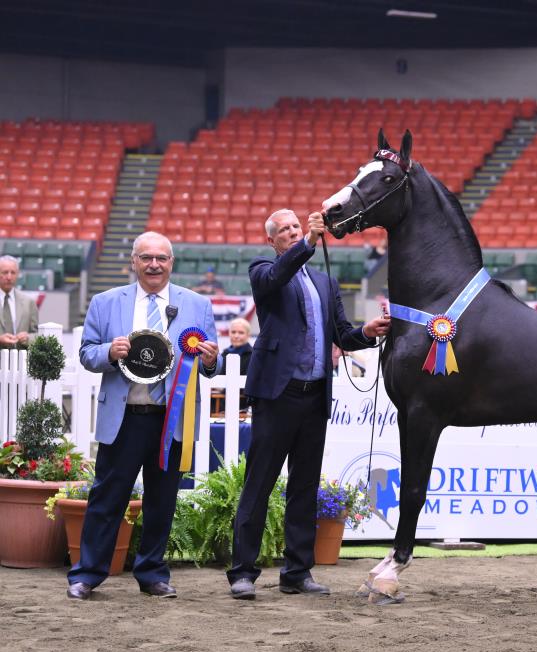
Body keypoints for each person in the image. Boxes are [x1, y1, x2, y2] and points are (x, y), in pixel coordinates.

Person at [226, 209, 390, 600]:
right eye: (284, 230)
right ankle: (243, 572)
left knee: (303, 487)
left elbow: (342, 335)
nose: (292, 232)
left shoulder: (325, 281)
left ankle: (297, 572)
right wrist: (308, 244)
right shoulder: (263, 270)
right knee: (259, 484)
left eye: (295, 227)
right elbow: (277, 275)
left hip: (314, 396)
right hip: (276, 394)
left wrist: (365, 333)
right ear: (272, 241)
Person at [67, 232, 221, 601]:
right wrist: (110, 350)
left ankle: (152, 574)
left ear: (172, 262)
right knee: (107, 498)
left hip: (172, 419)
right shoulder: (105, 302)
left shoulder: (197, 304)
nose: (154, 264)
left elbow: (209, 361)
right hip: (124, 417)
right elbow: (87, 353)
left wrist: (212, 360)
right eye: (147, 258)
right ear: (133, 262)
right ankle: (87, 574)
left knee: (163, 500)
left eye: (162, 258)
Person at [0, 255, 39, 350]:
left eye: (13, 272)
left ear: (17, 274)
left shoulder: (29, 302)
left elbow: (38, 334)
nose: (9, 277)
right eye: (5, 272)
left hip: (20, 361)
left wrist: (28, 338)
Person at [218, 317, 253, 410]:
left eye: (241, 332)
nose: (236, 336)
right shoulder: (224, 354)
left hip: (245, 405)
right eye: (233, 332)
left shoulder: (253, 356)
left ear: (248, 335)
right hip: (222, 404)